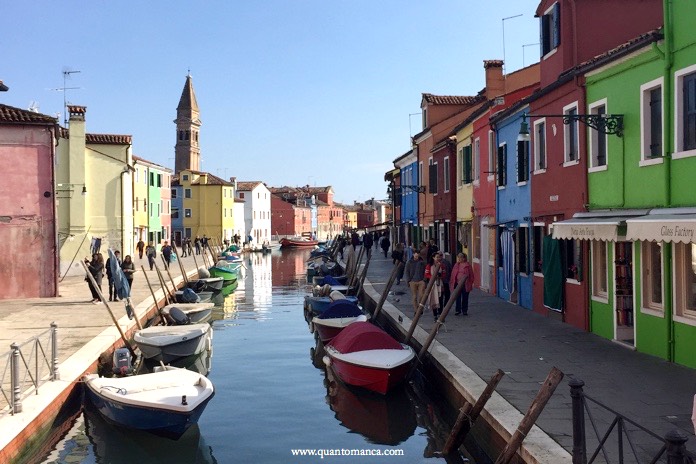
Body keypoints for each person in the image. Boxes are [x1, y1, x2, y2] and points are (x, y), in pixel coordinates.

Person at [425, 253, 445, 321]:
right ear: (433, 258)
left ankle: (440, 314)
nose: (438, 258)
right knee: (433, 299)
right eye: (437, 257)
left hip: (440, 283)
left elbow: (444, 274)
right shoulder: (429, 266)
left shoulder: (441, 265)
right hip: (432, 284)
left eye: (439, 257)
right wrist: (433, 277)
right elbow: (426, 274)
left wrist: (440, 276)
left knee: (440, 299)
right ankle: (435, 315)